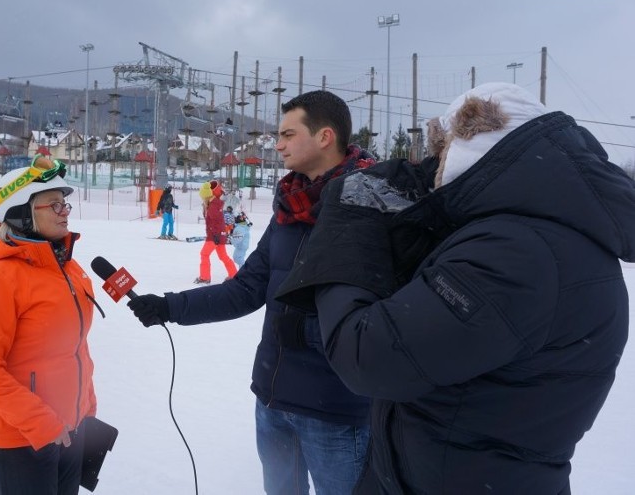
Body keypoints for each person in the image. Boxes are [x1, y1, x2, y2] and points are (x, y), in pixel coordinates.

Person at [282, 83, 635, 494]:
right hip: (440, 472)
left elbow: (368, 355)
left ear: (475, 147)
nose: (435, 165)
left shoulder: (519, 253)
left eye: (442, 150)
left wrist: (348, 227)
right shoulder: (535, 235)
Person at [127, 90, 376, 495]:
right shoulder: (289, 210)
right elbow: (246, 289)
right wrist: (170, 306)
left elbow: (385, 317)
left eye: (287, 134)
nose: (277, 145)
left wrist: (312, 334)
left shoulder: (372, 208)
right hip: (274, 400)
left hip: (336, 411)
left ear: (325, 137)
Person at [0, 156, 98, 495]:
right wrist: (42, 424)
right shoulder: (2, 278)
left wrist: (86, 409)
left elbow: (74, 347)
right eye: (53, 204)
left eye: (64, 203)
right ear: (21, 212)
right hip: (22, 441)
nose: (64, 210)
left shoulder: (68, 267)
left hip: (71, 430)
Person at [194, 179, 237, 284]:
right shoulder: (214, 204)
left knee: (204, 254)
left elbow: (216, 223)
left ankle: (205, 277)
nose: (202, 199)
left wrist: (216, 236)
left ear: (207, 196)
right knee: (223, 256)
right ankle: (234, 274)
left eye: (203, 197)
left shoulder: (214, 205)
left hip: (215, 236)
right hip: (219, 235)